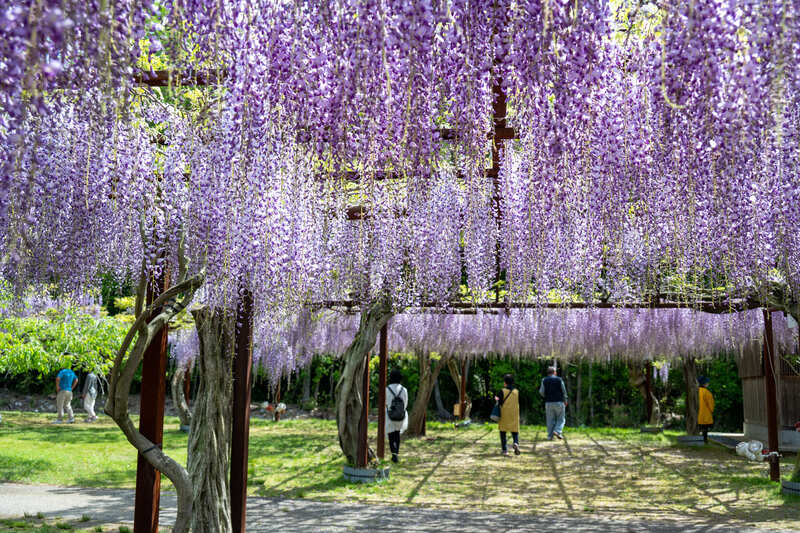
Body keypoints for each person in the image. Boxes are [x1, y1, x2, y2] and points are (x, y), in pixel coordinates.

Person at [386, 369, 408, 463]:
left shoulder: (387, 389)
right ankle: (396, 454)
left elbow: (385, 403)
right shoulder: (404, 390)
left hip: (389, 414)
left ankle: (393, 454)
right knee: (397, 434)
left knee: (391, 435)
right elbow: (405, 404)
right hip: (400, 415)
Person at [539, 366, 568, 440]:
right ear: (554, 372)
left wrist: (547, 395)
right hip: (559, 402)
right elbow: (564, 391)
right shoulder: (559, 379)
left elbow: (541, 392)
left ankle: (550, 436)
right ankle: (557, 431)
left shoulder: (544, 380)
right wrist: (565, 400)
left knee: (550, 420)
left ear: (548, 373)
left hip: (548, 403)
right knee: (561, 419)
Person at [496, 374, 520, 456]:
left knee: (503, 431)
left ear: (505, 383)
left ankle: (504, 450)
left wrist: (496, 399)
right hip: (514, 413)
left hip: (504, 413)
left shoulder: (502, 391)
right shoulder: (516, 391)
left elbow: (498, 401)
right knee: (515, 430)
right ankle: (516, 443)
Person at [698, 375, 714, 443]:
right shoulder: (707, 392)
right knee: (705, 428)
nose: (708, 383)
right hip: (705, 413)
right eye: (707, 382)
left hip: (697, 413)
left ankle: (701, 440)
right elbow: (711, 404)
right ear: (704, 383)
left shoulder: (696, 391)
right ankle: (705, 440)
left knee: (700, 427)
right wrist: (711, 410)